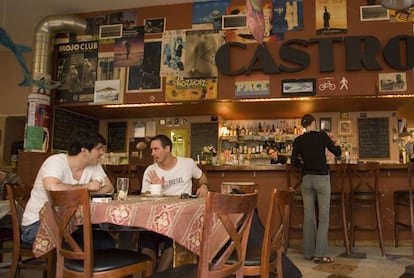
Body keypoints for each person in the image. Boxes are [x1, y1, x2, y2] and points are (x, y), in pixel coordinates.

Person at [21, 130, 115, 248]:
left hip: (72, 222)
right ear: (84, 150)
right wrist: (86, 187)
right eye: (99, 148)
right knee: (84, 245)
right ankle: (66, 265)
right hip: (37, 224)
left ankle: (82, 265)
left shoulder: (94, 165)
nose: (102, 153)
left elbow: (109, 188)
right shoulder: (56, 161)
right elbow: (52, 187)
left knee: (106, 242)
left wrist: (86, 193)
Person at [138, 134, 208, 273]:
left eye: (156, 149)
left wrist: (204, 185)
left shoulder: (187, 163)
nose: (152, 153)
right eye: (151, 150)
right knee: (146, 239)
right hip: (156, 218)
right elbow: (143, 197)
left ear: (167, 148)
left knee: (175, 241)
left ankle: (159, 275)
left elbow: (202, 177)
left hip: (180, 218)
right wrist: (155, 188)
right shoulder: (151, 170)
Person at [291, 114, 341, 264]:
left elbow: (293, 162)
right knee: (324, 216)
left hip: (306, 180)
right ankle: (321, 254)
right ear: (313, 123)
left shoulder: (298, 140)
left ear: (303, 125)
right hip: (321, 179)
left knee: (308, 216)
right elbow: (337, 152)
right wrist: (337, 143)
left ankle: (308, 253)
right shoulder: (321, 136)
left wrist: (303, 166)